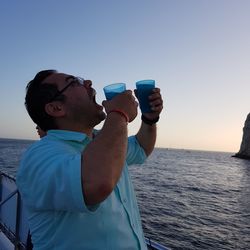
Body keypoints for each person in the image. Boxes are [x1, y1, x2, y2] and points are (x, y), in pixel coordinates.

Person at [16, 70, 163, 250]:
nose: (88, 82)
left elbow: (141, 148)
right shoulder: (38, 156)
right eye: (74, 82)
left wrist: (149, 118)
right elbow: (95, 183)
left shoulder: (105, 141)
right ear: (56, 108)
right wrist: (119, 113)